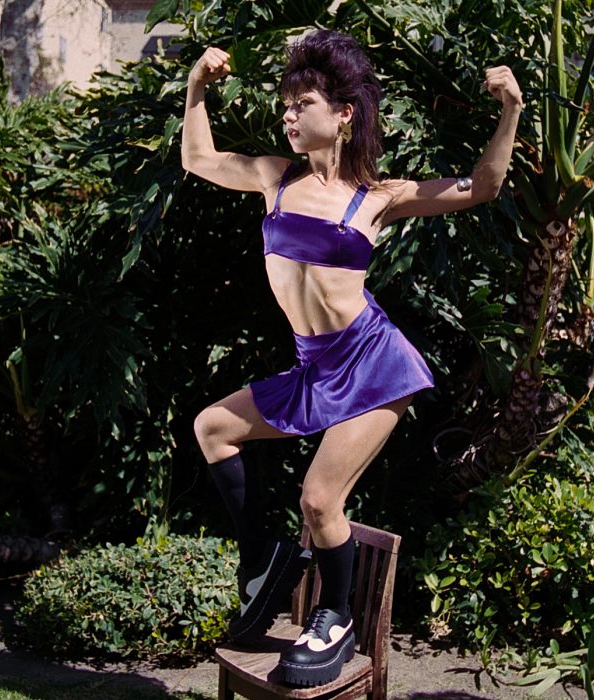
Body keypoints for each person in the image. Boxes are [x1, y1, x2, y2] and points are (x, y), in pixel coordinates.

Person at [182, 30, 522, 687]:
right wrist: (196, 86)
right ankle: (261, 559)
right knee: (213, 428)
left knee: (319, 501)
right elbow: (198, 158)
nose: (288, 115)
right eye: (285, 105)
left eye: (302, 103)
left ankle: (335, 618)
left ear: (342, 114)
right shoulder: (273, 177)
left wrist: (510, 108)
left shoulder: (379, 196)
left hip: (372, 365)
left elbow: (483, 185)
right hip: (313, 365)